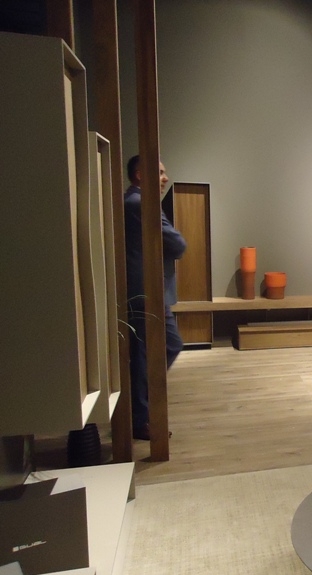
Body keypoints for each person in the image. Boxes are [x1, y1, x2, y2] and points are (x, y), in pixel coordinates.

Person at [124, 155, 187, 440]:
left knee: (149, 353)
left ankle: (141, 413)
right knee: (154, 351)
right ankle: (140, 417)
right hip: (147, 292)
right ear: (140, 174)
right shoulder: (141, 203)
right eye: (160, 172)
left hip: (145, 291)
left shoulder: (132, 201)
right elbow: (177, 243)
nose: (165, 178)